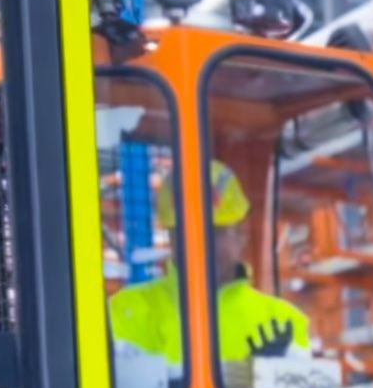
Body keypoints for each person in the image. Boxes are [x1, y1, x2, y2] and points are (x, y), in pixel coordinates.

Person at [109, 159, 312, 371]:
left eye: (214, 233)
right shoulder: (123, 311)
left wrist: (272, 379)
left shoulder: (283, 321)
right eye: (186, 234)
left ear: (241, 235)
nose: (200, 245)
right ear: (171, 239)